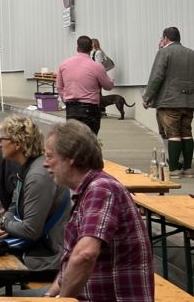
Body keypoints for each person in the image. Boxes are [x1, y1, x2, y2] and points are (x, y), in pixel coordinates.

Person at [40, 120, 153, 301]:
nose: (45, 164)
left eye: (49, 156)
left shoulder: (101, 189)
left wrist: (63, 300)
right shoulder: (91, 189)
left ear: (71, 158)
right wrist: (49, 295)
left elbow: (85, 255)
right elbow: (71, 264)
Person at [0, 117, 69, 274]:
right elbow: (13, 207)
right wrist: (4, 221)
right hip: (34, 248)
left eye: (3, 139)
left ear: (18, 144)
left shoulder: (37, 176)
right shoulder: (28, 167)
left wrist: (3, 223)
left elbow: (30, 231)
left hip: (46, 257)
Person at [142, 27, 194, 177]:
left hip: (169, 100)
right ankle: (188, 169)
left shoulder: (164, 52)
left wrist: (147, 97)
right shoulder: (191, 53)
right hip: (189, 101)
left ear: (165, 38)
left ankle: (174, 170)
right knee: (187, 132)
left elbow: (157, 77)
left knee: (173, 134)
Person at [56, 35, 114, 135]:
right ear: (91, 48)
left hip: (71, 108)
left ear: (77, 48)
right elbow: (108, 86)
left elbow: (59, 87)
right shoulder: (96, 66)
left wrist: (66, 101)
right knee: (89, 141)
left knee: (73, 140)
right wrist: (111, 80)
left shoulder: (64, 64)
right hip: (90, 109)